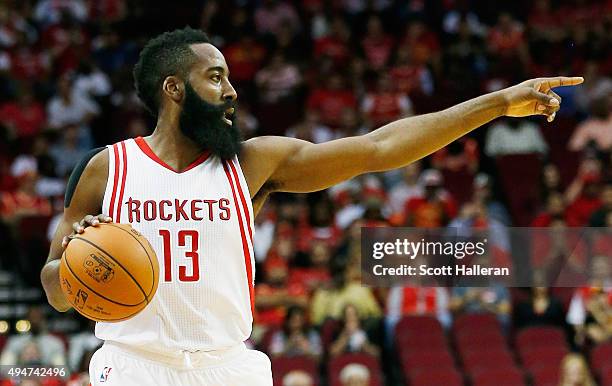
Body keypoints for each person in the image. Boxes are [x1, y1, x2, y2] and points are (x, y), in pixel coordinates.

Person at [39, 27, 581, 385]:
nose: (232, 91)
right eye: (216, 77)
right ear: (174, 89)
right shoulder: (107, 170)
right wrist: (77, 267)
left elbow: (379, 148)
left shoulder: (254, 162)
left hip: (229, 367)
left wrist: (495, 104)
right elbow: (56, 290)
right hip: (135, 366)